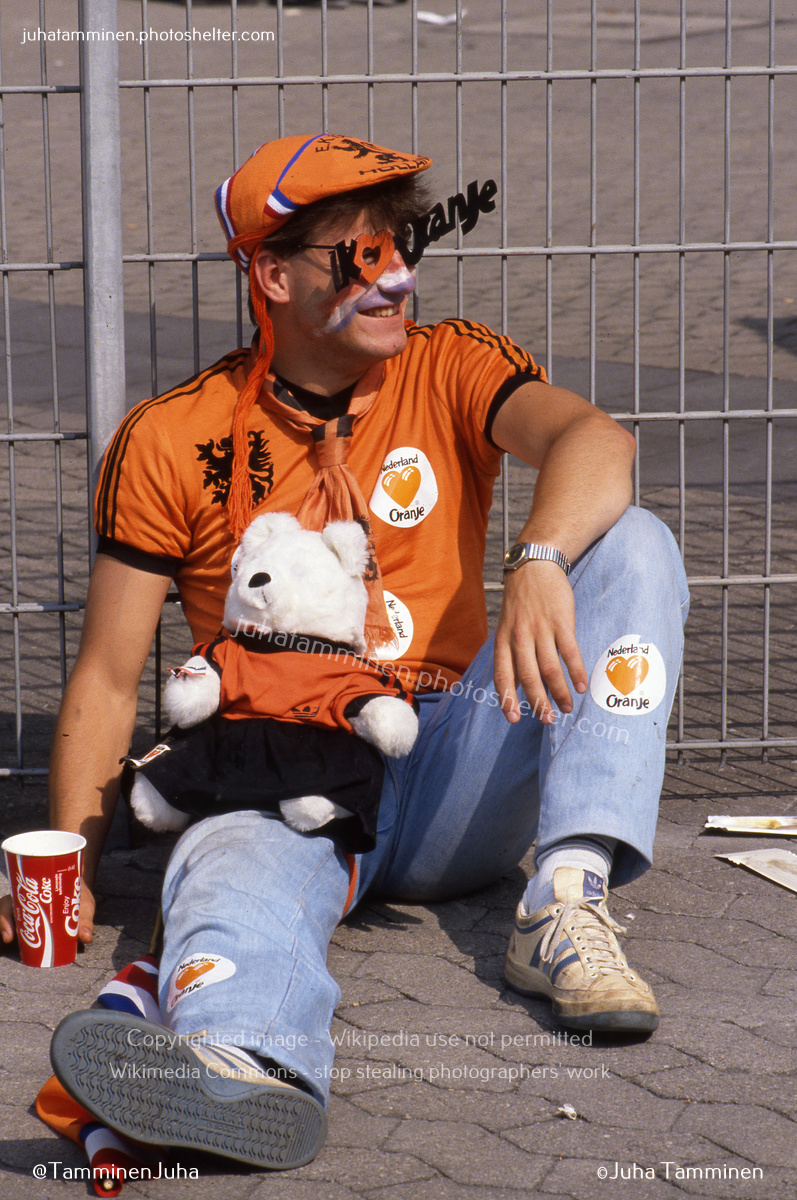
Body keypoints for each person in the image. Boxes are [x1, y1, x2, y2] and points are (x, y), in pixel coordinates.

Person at [2, 133, 688, 1170]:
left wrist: (538, 559)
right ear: (273, 278)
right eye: (357, 258)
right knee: (225, 866)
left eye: (398, 245)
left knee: (629, 539)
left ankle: (563, 901)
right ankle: (241, 1070)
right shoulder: (167, 437)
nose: (395, 274)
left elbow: (598, 442)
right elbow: (106, 675)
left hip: (455, 760)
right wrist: (76, 863)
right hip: (287, 778)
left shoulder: (454, 361)